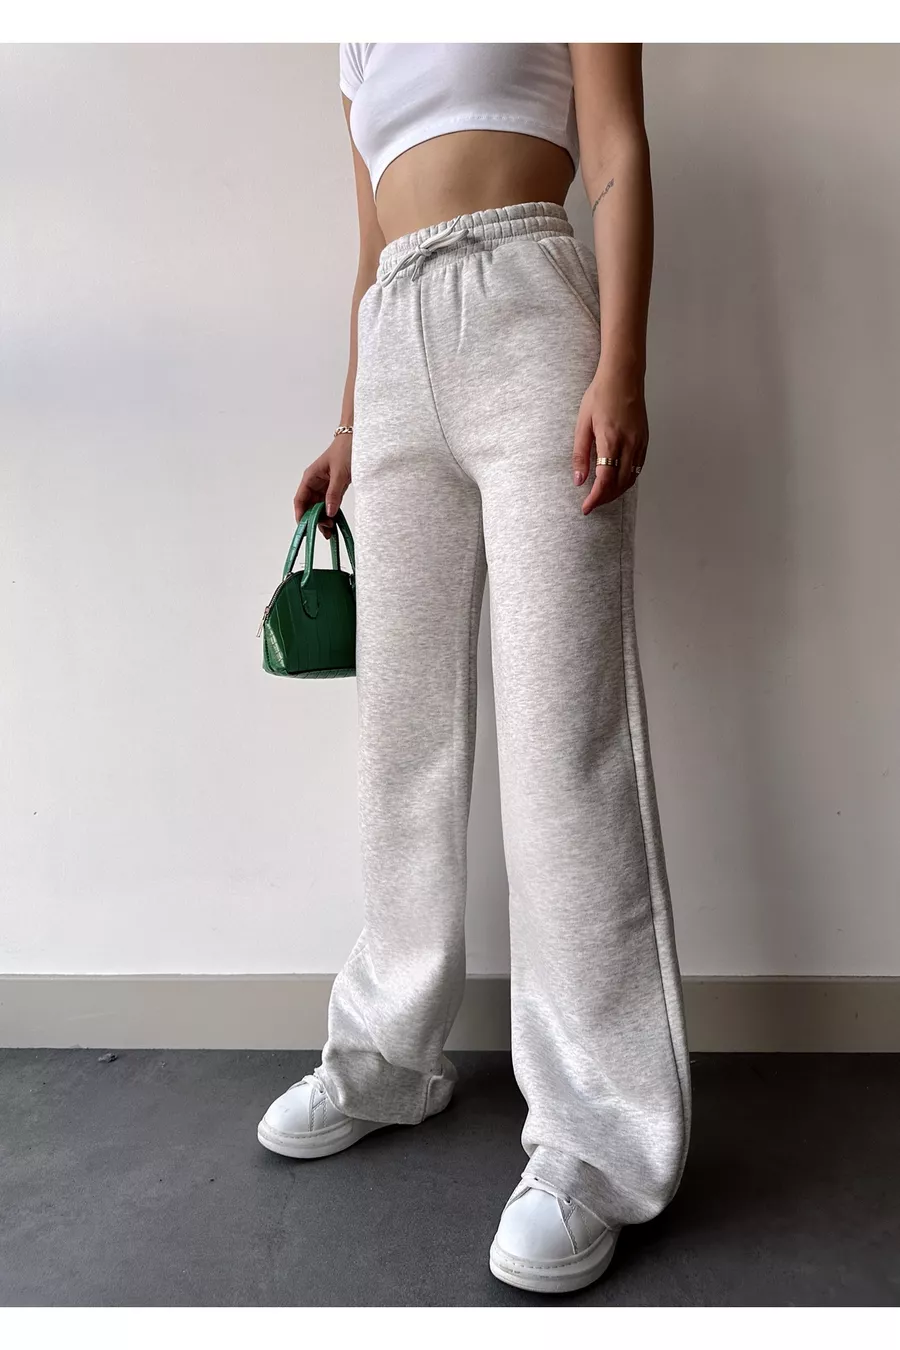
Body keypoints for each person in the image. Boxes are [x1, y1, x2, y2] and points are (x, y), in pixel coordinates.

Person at [258, 42, 691, 1295]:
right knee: (403, 739)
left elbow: (615, 151)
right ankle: (386, 1055)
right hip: (394, 339)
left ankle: (599, 1140)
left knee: (566, 744)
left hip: (531, 312)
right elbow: (367, 245)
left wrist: (623, 363)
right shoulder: (356, 35)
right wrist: (351, 422)